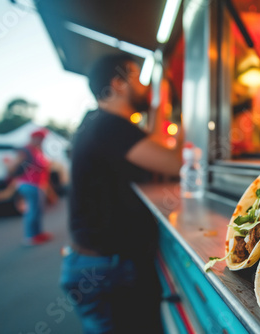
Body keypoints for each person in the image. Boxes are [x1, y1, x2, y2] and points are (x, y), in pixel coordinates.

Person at [60, 53, 182, 334]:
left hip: (92, 262)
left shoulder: (98, 122)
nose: (145, 86)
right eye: (138, 78)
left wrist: (159, 104)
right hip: (106, 269)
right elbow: (173, 162)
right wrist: (182, 116)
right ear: (118, 84)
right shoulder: (109, 126)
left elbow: (150, 144)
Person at [9, 128, 53, 246]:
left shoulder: (37, 150)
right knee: (33, 211)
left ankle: (37, 233)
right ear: (34, 138)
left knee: (37, 210)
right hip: (29, 184)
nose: (42, 141)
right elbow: (13, 167)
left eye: (43, 139)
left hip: (38, 185)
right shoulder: (26, 150)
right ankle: (30, 237)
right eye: (40, 139)